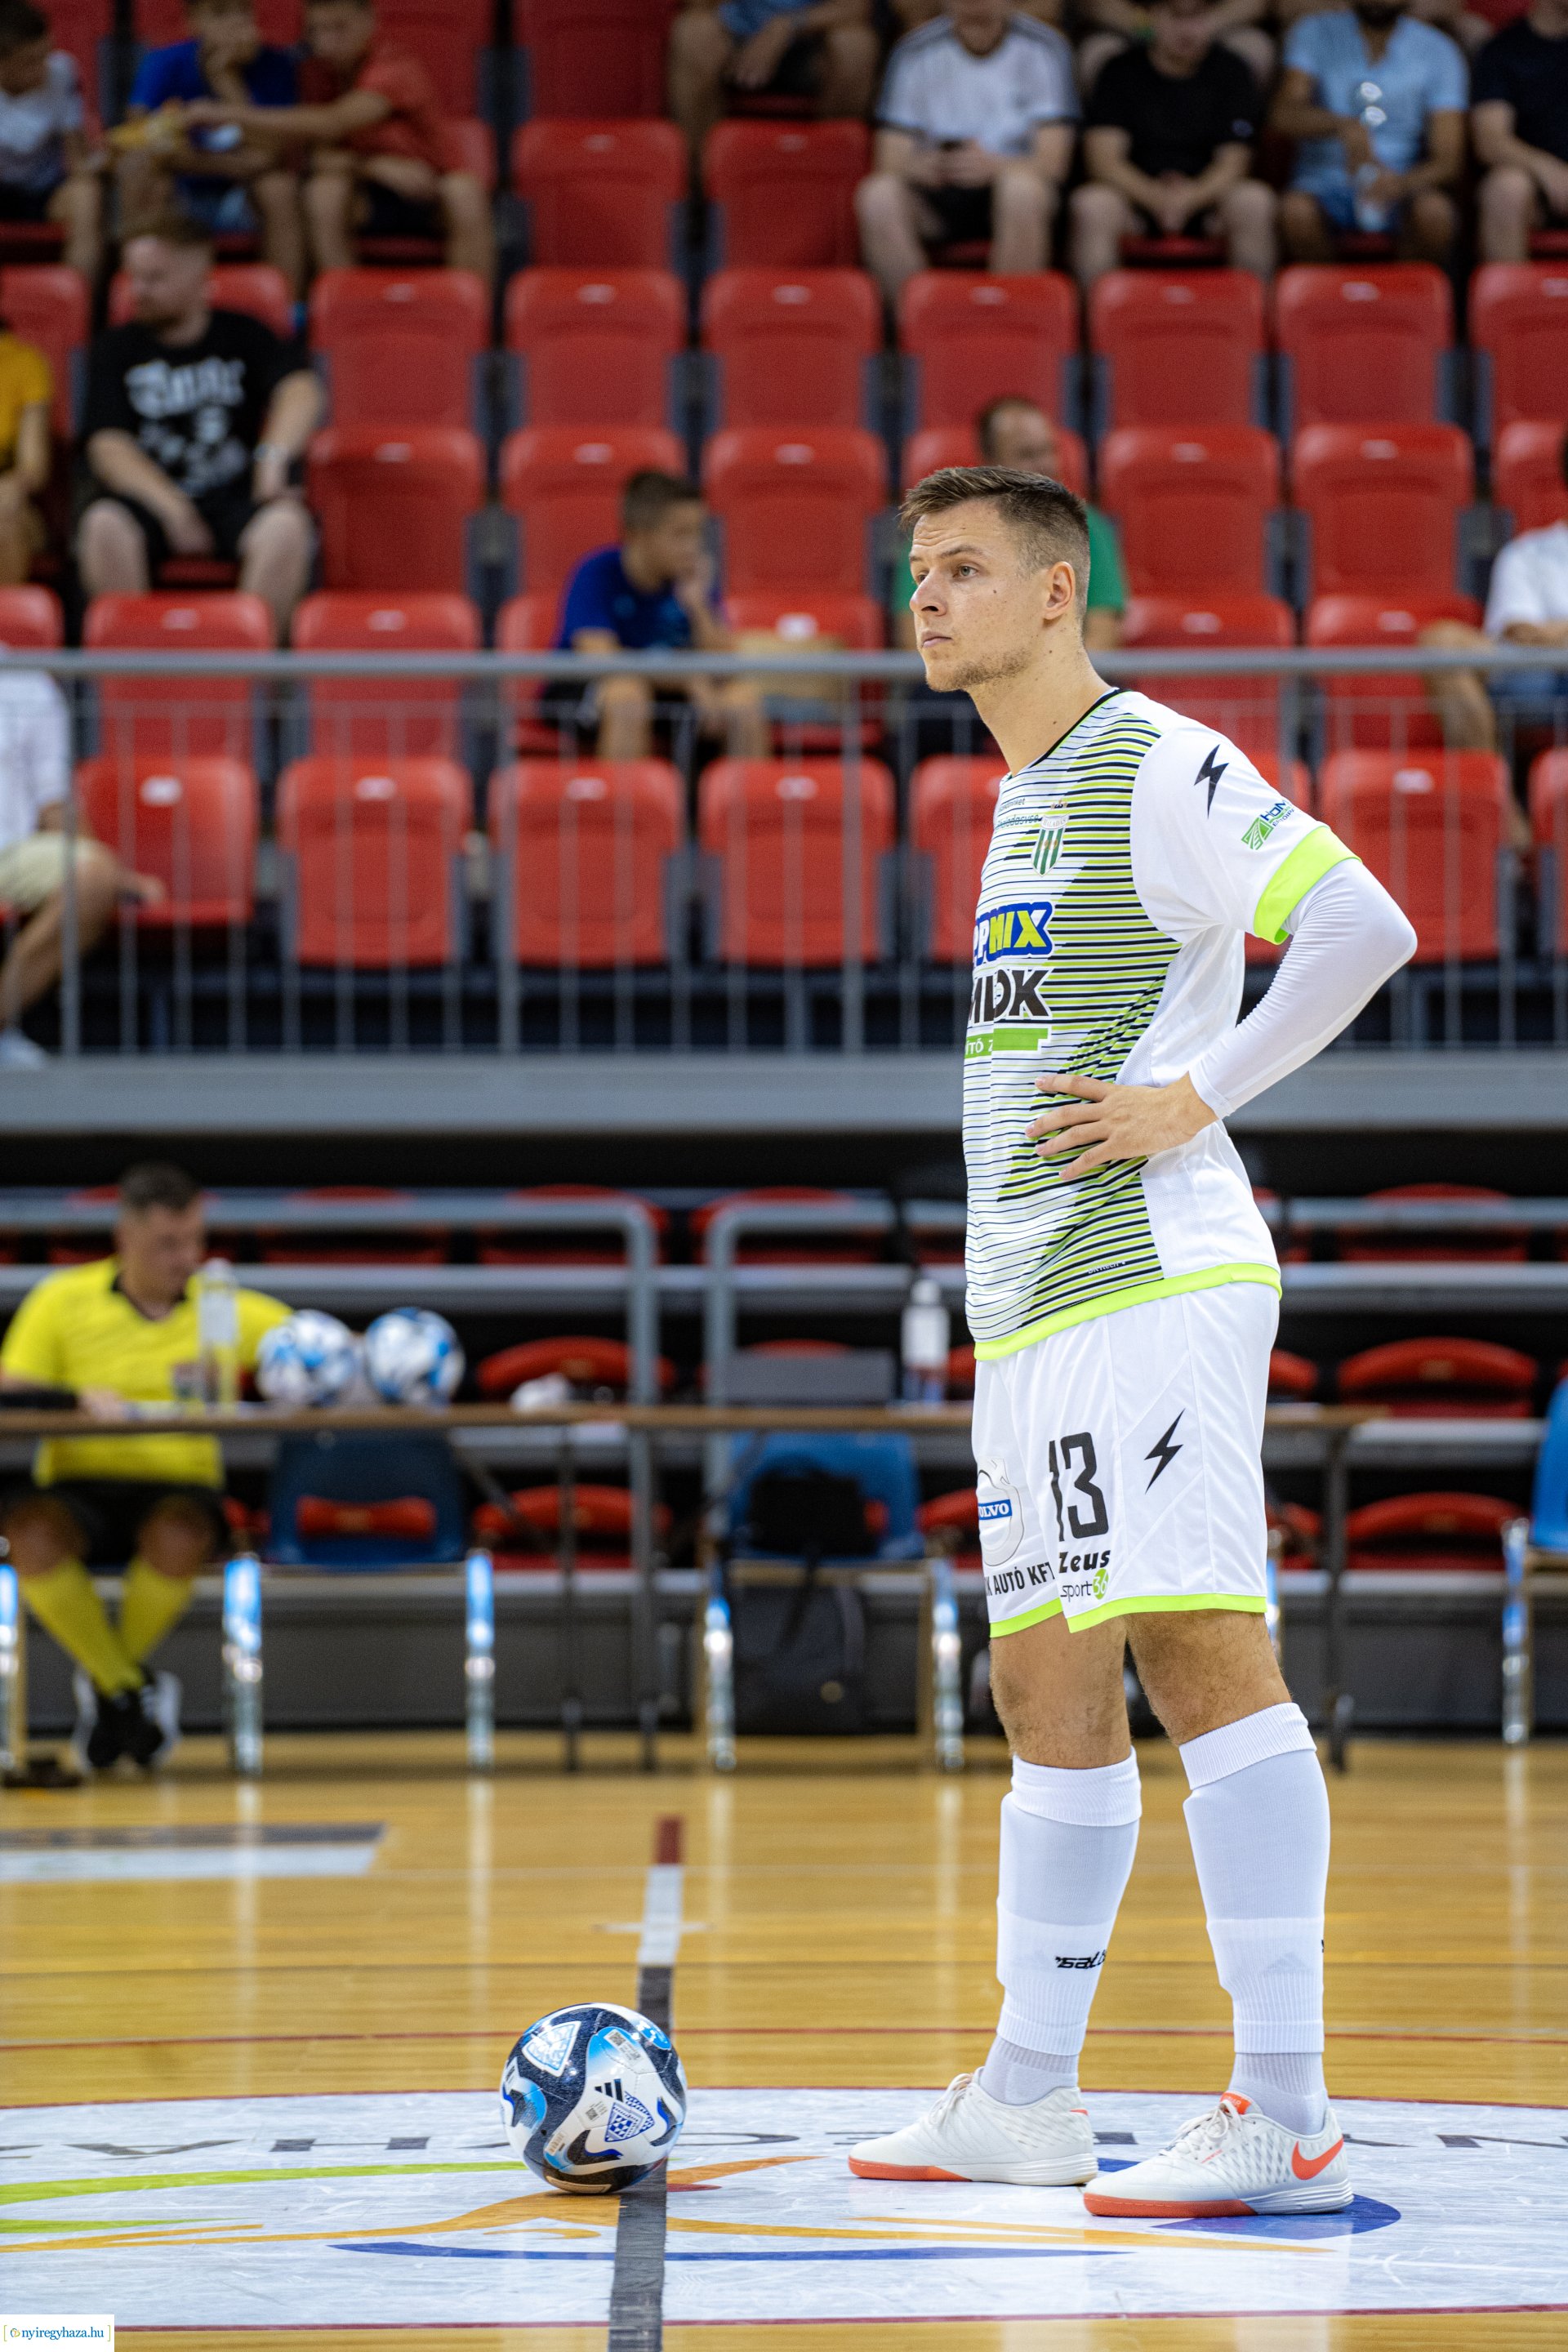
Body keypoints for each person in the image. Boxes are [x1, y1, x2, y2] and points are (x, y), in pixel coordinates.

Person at [846, 460, 1414, 2214]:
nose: (924, 599)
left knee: (1192, 1647)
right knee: (1043, 1684)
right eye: (915, 572)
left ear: (1054, 595)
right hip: (1033, 1306)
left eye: (959, 570)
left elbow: (1360, 923)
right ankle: (1027, 2094)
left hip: (1151, 1275)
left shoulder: (1152, 758)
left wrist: (1196, 1094)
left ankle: (1292, 2111)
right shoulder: (1016, 800)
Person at [0, 1160, 288, 1773]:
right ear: (124, 1238)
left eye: (194, 1240)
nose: (185, 1257)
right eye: (167, 1243)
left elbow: (307, 1349)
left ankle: (111, 1691)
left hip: (178, 1485)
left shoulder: (222, 1305)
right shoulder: (61, 1299)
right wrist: (73, 1400)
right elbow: (10, 1389)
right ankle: (127, 1691)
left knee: (181, 1531)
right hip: (79, 1482)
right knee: (28, 1530)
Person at [75, 214, 321, 640]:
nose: (138, 291)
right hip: (151, 499)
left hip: (234, 496)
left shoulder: (245, 334)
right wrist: (175, 511)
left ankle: (244, 681)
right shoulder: (116, 349)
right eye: (134, 278)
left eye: (155, 278)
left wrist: (272, 460)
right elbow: (107, 446)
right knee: (102, 526)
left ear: (198, 279)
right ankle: (133, 682)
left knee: (288, 528)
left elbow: (302, 390)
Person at [185, 0, 493, 288]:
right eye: (316, 31)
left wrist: (226, 113)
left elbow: (333, 122)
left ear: (369, 22)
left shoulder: (395, 68)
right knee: (323, 193)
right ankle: (342, 305)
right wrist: (371, 167)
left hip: (426, 191)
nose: (326, 43)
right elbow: (312, 159)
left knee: (464, 192)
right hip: (362, 191)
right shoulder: (313, 74)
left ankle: (470, 313)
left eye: (338, 28)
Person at [855, 0, 1077, 303]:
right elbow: (889, 159)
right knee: (877, 195)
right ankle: (922, 318)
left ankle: (1008, 316)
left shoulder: (1046, 46)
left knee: (1021, 190)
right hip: (939, 190)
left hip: (1010, 183)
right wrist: (924, 166)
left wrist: (994, 166)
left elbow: (1054, 163)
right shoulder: (913, 49)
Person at [0, 669, 162, 1067]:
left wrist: (118, 875)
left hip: (10, 852)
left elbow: (53, 803)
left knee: (95, 877)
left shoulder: (27, 686)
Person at [553, 469, 768, 761]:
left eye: (698, 533)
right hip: (590, 693)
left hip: (672, 693)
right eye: (681, 534)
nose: (693, 547)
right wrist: (686, 679)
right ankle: (623, 806)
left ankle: (747, 806)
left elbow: (727, 664)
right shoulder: (596, 573)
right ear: (639, 535)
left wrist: (698, 606)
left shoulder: (692, 582)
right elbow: (600, 659)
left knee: (744, 701)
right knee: (628, 695)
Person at [895, 397, 1127, 653]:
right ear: (989, 461)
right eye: (1027, 454)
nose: (1045, 465)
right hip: (959, 685)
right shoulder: (940, 530)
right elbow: (914, 639)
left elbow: (1102, 640)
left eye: (1050, 450)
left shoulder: (1086, 526)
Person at [1072, 0, 1276, 283]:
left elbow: (1234, 163)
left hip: (1208, 200)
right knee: (1092, 205)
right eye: (1175, 16)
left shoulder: (1232, 71)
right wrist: (1155, 198)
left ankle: (1254, 319)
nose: (1187, 29)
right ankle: (1095, 322)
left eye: (1197, 16)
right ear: (1151, 18)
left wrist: (1189, 199)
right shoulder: (1119, 70)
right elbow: (1103, 160)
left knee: (1254, 201)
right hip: (1136, 200)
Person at [116, 0, 305, 296]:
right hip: (182, 188)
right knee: (139, 172)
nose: (234, 22)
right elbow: (141, 140)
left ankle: (287, 306)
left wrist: (226, 80)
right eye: (220, 13)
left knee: (279, 187)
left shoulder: (277, 64)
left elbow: (272, 153)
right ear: (193, 22)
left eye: (243, 11)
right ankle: (141, 295)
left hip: (245, 192)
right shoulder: (164, 61)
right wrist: (231, 163)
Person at [1272, 0, 1467, 261]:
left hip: (1401, 180)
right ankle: (1328, 299)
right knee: (1296, 213)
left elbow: (1448, 160)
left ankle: (1404, 299)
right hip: (1324, 181)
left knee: (1434, 214)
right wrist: (1342, 126)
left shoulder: (1439, 49)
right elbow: (1283, 114)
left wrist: (1402, 183)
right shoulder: (1313, 31)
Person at [1419, 429, 1568, 760]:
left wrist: (1555, 632)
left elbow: (1540, 633)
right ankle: (1498, 806)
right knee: (1440, 641)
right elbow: (1522, 632)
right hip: (1544, 684)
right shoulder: (1527, 553)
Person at [667, 0, 880, 167]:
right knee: (693, 32)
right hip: (736, 43)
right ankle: (700, 184)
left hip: (811, 44)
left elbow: (857, 8)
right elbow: (697, 6)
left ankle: (833, 173)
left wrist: (786, 26)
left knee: (856, 45)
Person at [0, 0, 102, 284]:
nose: (43, 67)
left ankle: (80, 304)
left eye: (45, 54)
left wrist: (98, 163)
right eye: (30, 62)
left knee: (86, 195)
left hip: (44, 193)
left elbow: (78, 157)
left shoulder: (62, 71)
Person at [1472, 0, 1568, 259]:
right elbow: (1491, 140)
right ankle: (1508, 298)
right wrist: (1548, 169)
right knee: (1506, 188)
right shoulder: (1503, 50)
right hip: (1539, 190)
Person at [1075, 0, 1274, 103]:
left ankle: (1237, 132)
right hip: (1139, 27)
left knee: (1255, 47)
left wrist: (1203, 26)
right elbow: (1096, 5)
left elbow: (1256, 3)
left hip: (1213, 24)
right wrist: (1152, 28)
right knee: (1098, 51)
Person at [0, 311, 51, 582]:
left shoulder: (23, 362)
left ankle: (6, 623)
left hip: (11, 503)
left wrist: (12, 486)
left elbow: (33, 467)